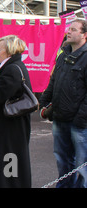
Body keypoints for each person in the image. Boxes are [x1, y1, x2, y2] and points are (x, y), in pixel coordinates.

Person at [39, 19, 87, 188]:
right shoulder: (63, 54)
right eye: (69, 28)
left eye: (73, 29)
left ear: (84, 35)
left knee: (82, 164)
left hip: (79, 123)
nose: (69, 31)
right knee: (63, 160)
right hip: (60, 118)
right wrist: (44, 102)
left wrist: (81, 119)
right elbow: (54, 81)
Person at [0, 35, 32, 188]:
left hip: (9, 129)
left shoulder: (11, 70)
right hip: (10, 127)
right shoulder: (12, 67)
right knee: (8, 164)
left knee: (9, 164)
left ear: (9, 52)